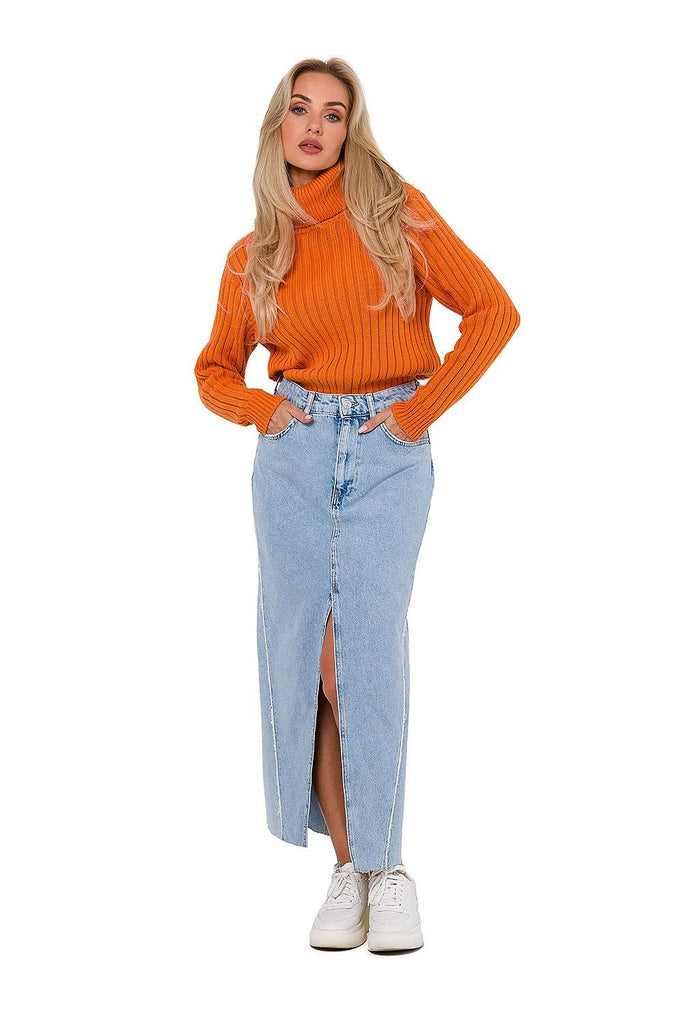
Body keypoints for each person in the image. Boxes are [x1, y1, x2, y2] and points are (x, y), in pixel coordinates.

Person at [194, 56, 521, 954]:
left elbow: (492, 312)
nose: (313, 126)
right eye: (299, 109)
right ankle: (350, 868)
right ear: (278, 126)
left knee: (365, 654)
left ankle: (389, 868)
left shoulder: (395, 213)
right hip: (293, 455)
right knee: (308, 658)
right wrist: (262, 410)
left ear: (350, 129)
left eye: (332, 113)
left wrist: (416, 413)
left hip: (385, 450)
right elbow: (213, 369)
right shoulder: (253, 253)